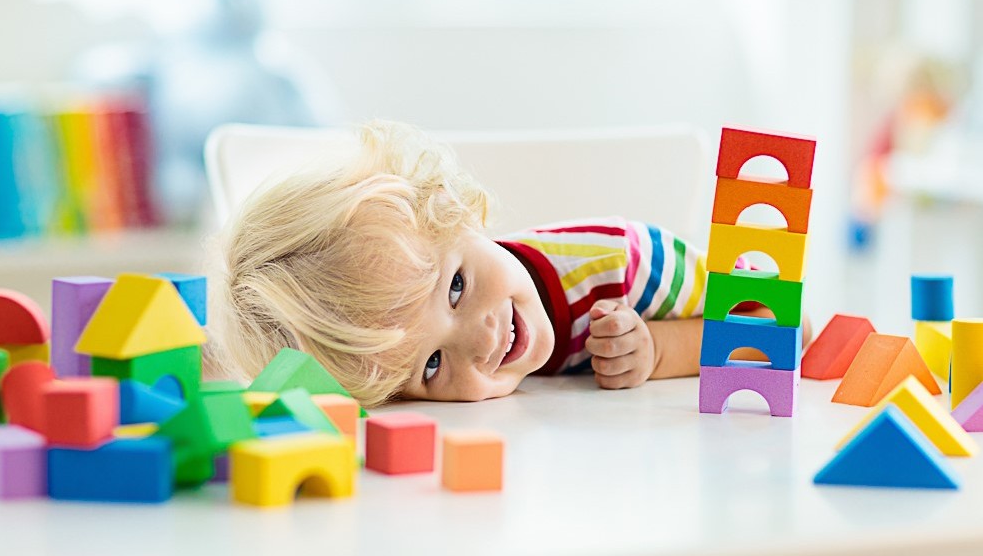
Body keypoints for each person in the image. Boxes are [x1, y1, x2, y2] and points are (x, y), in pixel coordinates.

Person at [210, 120, 810, 407]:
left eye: (455, 288)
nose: (482, 337)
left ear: (458, 212)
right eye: (432, 364)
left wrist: (658, 350)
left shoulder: (624, 263)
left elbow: (786, 327)